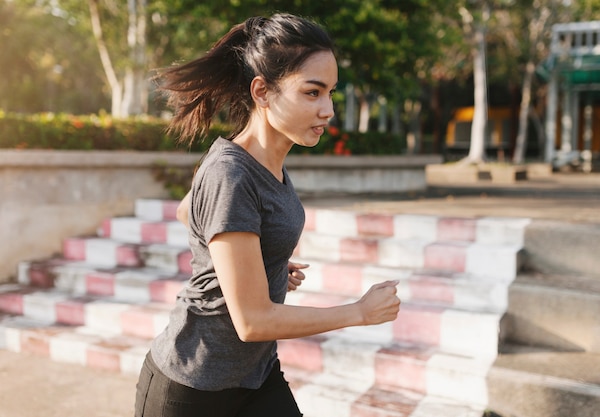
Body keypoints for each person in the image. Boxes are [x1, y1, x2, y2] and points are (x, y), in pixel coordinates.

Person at [135, 13, 401, 417]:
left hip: (255, 377)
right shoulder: (232, 172)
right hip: (192, 388)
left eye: (330, 92)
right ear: (262, 91)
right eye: (312, 93)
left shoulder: (264, 162)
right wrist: (358, 313)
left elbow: (188, 209)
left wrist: (257, 259)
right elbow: (253, 321)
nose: (327, 109)